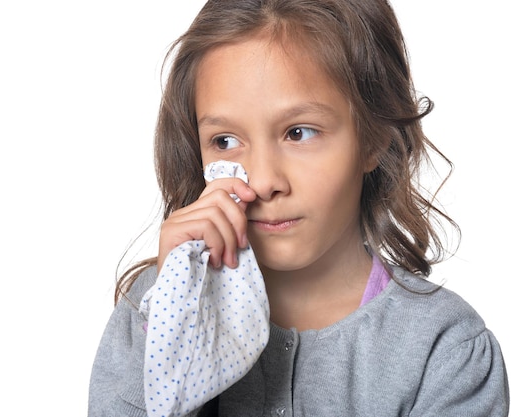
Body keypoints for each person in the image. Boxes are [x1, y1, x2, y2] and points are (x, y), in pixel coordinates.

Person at [88, 0, 509, 416]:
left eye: (299, 132)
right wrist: (172, 328)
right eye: (225, 142)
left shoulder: (444, 348)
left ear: (374, 137)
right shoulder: (159, 303)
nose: (266, 180)